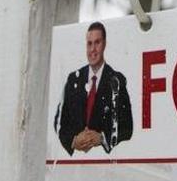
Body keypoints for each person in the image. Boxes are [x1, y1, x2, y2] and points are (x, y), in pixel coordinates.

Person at [53, 21, 133, 155]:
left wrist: (101, 138)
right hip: (72, 165)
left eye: (97, 43)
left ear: (104, 44)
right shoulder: (73, 79)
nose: (92, 49)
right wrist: (73, 140)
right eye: (89, 44)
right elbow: (59, 122)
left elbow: (127, 128)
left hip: (105, 163)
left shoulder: (116, 81)